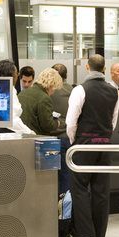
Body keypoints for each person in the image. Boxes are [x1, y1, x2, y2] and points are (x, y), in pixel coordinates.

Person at [65, 54, 119, 237]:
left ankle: (84, 234)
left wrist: (74, 142)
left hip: (84, 144)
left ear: (87, 68)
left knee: (79, 188)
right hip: (105, 144)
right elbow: (113, 121)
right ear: (104, 69)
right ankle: (99, 234)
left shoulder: (81, 90)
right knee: (101, 189)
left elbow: (71, 121)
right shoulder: (114, 91)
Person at [0, 59, 34, 135]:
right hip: (5, 134)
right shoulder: (8, 90)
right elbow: (12, 120)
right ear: (11, 75)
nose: (17, 76)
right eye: (16, 73)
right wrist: (30, 133)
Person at [18, 68, 64, 136]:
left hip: (21, 136)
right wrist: (58, 123)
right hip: (36, 138)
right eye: (54, 89)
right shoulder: (44, 98)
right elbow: (48, 126)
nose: (53, 92)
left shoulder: (22, 93)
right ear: (51, 85)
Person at [51, 63, 74, 194]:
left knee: (52, 178)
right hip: (70, 139)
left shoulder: (49, 91)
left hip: (53, 139)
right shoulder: (73, 90)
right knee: (67, 178)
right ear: (66, 76)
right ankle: (66, 212)